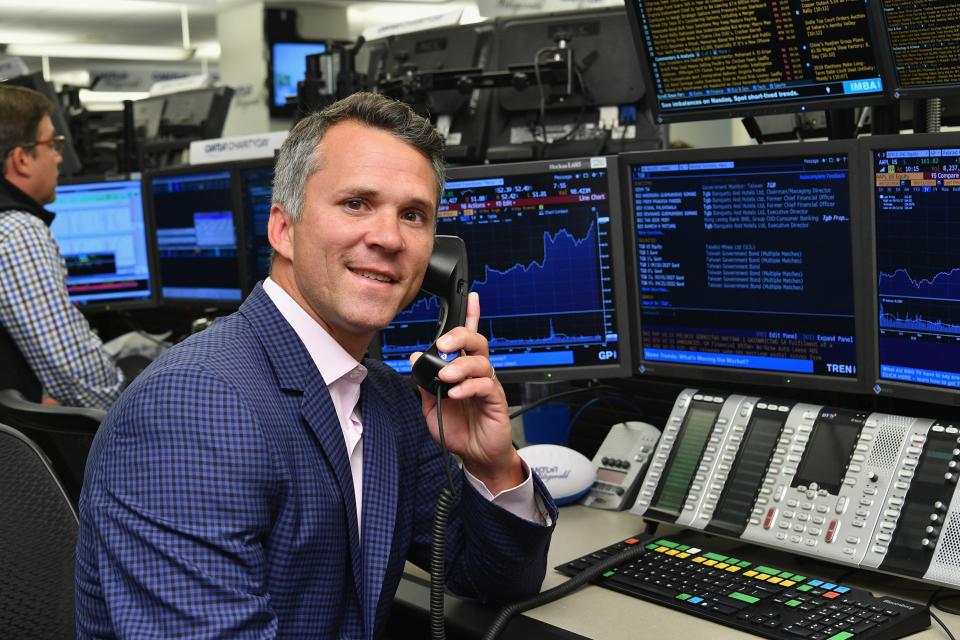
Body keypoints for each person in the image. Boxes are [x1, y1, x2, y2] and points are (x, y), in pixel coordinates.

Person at [76, 92, 558, 639]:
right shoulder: (194, 406)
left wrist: (494, 467)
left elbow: (498, 580)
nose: (389, 237)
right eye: (356, 203)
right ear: (282, 229)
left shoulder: (390, 398)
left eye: (414, 215)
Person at [0, 84, 123, 409]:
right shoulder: (17, 232)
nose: (59, 157)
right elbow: (79, 377)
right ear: (22, 159)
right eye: (52, 144)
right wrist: (137, 400)